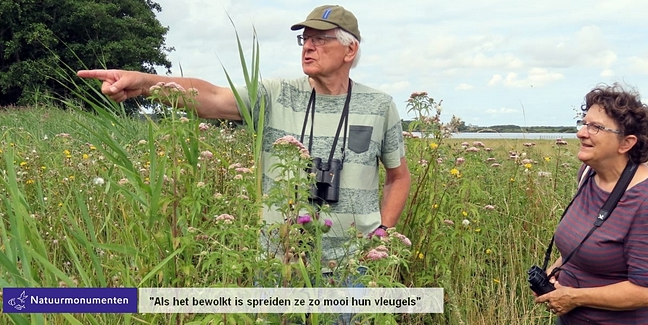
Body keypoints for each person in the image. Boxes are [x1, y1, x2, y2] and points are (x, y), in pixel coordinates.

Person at [77, 4, 410, 278]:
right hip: (281, 262)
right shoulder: (275, 94)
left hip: (353, 264)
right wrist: (146, 83)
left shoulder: (379, 106)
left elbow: (398, 177)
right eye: (305, 39)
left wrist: (383, 232)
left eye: (321, 40)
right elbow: (211, 97)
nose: (308, 46)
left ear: (350, 49)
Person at [534, 83, 648, 324]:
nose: (581, 133)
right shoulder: (588, 174)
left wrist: (575, 297)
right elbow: (582, 245)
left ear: (626, 143)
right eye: (584, 123)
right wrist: (554, 273)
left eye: (596, 127)